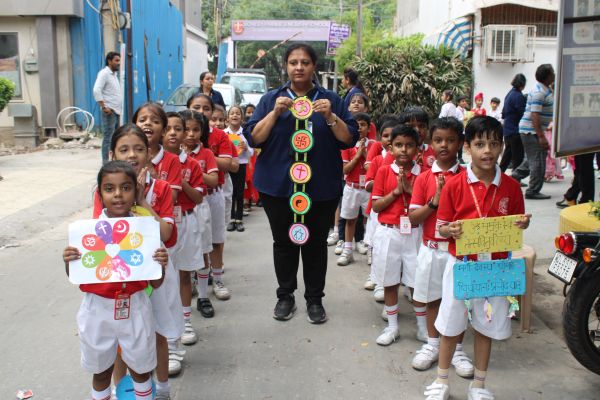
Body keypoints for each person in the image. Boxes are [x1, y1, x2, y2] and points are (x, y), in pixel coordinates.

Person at [247, 43, 358, 323]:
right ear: (286, 66)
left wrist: (330, 116)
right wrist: (275, 113)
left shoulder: (330, 100)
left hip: (320, 186)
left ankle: (314, 299)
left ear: (313, 67)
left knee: (316, 244)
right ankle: (285, 296)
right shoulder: (271, 99)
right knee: (283, 243)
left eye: (305, 62)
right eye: (293, 62)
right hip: (278, 187)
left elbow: (349, 139)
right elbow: (254, 137)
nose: (299, 67)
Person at [424, 116, 531, 400]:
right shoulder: (454, 185)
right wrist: (449, 230)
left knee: (486, 327)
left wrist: (523, 224)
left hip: (495, 268)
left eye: (494, 144)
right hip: (462, 266)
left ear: (502, 146)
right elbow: (440, 228)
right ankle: (441, 381)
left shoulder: (511, 187)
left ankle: (479, 385)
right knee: (450, 326)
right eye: (480, 144)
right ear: (468, 147)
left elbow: (516, 224)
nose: (487, 151)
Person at [63, 160, 168, 400]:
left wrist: (161, 264)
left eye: (126, 187)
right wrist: (69, 261)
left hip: (135, 306)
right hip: (97, 310)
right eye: (109, 189)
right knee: (101, 372)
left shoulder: (146, 232)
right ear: (99, 194)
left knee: (141, 371)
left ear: (136, 191)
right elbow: (78, 277)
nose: (118, 194)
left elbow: (156, 283)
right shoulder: (88, 233)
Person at [92, 124, 182, 395]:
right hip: (120, 278)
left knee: (157, 331)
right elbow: (98, 232)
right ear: (112, 154)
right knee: (121, 337)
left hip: (154, 271)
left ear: (149, 153)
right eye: (124, 149)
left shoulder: (161, 188)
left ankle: (162, 389)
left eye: (139, 149)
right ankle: (123, 390)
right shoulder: (105, 191)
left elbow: (166, 234)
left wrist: (142, 201)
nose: (132, 155)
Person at [408, 117, 474, 378]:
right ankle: (433, 344)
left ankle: (457, 349)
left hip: (459, 251)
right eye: (438, 140)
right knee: (433, 298)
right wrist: (434, 202)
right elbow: (413, 218)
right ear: (430, 143)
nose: (444, 145)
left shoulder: (468, 177)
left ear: (461, 143)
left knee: (459, 300)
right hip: (432, 248)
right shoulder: (424, 178)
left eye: (450, 140)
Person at [370, 125, 421, 345]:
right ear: (390, 148)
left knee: (417, 282)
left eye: (409, 145)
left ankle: (422, 328)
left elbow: (430, 205)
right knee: (390, 281)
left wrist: (410, 189)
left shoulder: (423, 174)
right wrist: (396, 192)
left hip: (414, 233)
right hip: (389, 232)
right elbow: (376, 206)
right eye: (399, 145)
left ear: (417, 149)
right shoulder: (383, 171)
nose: (404, 150)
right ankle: (392, 327)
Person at [187, 93, 234, 302]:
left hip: (212, 194)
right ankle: (192, 278)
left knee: (215, 239)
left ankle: (217, 278)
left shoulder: (219, 136)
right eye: (196, 107)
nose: (201, 112)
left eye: (206, 108)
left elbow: (227, 164)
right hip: (188, 198)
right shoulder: (180, 136)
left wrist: (199, 156)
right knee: (191, 240)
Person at [163, 112, 204, 349]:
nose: (172, 133)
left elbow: (198, 198)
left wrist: (181, 181)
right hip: (162, 225)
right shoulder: (152, 163)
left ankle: (186, 320)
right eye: (167, 128)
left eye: (178, 128)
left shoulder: (191, 164)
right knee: (162, 276)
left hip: (186, 221)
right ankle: (165, 324)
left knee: (184, 273)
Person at [182, 110, 220, 319]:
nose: (190, 134)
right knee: (181, 252)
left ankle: (203, 296)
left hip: (200, 206)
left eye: (195, 130)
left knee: (204, 250)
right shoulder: (172, 155)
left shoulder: (206, 154)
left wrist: (194, 168)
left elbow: (213, 180)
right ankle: (184, 295)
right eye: (186, 129)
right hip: (178, 210)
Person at [512, 64, 555, 199]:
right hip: (531, 131)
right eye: (553, 73)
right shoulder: (539, 92)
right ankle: (533, 191)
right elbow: (534, 114)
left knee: (533, 158)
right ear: (547, 76)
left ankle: (516, 175)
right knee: (538, 161)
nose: (554, 75)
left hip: (533, 130)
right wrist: (541, 136)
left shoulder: (545, 89)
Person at [337, 112, 373, 266]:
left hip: (368, 189)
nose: (359, 128)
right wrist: (358, 155)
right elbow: (345, 170)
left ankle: (371, 249)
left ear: (369, 128)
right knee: (350, 220)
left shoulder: (374, 145)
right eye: (357, 125)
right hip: (352, 187)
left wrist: (366, 154)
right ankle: (348, 250)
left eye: (363, 125)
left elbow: (375, 168)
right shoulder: (347, 144)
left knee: (370, 221)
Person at [225, 105, 253, 232]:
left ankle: (239, 219)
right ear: (227, 118)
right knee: (229, 192)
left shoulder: (245, 133)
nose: (235, 115)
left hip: (241, 164)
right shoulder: (223, 133)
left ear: (242, 118)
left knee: (239, 192)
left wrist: (246, 148)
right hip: (228, 165)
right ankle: (231, 219)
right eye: (232, 113)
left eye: (237, 113)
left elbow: (251, 153)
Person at [93, 51, 122, 163]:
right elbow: (96, 90)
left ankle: (114, 160)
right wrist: (104, 107)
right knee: (108, 138)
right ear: (109, 61)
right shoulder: (104, 73)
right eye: (116, 60)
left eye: (119, 60)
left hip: (116, 111)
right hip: (110, 111)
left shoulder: (114, 75)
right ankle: (105, 163)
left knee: (115, 138)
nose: (118, 63)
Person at [499, 74, 527, 173]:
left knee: (507, 156)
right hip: (515, 130)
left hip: (507, 129)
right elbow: (522, 113)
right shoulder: (519, 96)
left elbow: (503, 113)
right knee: (518, 157)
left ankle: (498, 175)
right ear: (523, 84)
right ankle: (516, 178)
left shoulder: (509, 94)